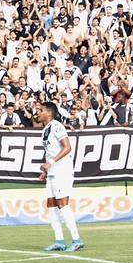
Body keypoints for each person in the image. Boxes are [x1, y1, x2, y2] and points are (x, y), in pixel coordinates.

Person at [38, 101, 84, 252]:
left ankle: (76, 239)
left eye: (41, 110)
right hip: (52, 171)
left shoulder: (57, 126)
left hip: (62, 169)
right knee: (51, 204)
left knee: (62, 203)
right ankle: (59, 240)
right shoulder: (46, 128)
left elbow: (67, 147)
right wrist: (45, 170)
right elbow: (50, 151)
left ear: (49, 113)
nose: (38, 112)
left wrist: (50, 163)